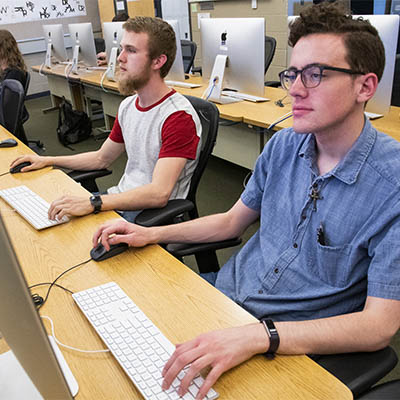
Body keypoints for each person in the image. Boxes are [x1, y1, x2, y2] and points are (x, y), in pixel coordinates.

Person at [92, 2, 400, 399]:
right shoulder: (285, 145)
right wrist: (146, 233)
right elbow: (231, 222)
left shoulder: (390, 186)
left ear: (365, 86)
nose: (296, 90)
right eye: (292, 74)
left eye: (316, 74)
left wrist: (260, 336)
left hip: (285, 344)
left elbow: (379, 327)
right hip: (223, 298)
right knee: (112, 342)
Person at [11, 17, 201, 222]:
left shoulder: (178, 117)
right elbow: (101, 158)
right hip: (120, 201)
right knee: (49, 215)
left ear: (158, 61)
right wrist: (48, 160)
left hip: (149, 217)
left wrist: (94, 203)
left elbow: (159, 194)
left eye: (131, 50)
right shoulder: (129, 106)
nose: (120, 58)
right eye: (121, 49)